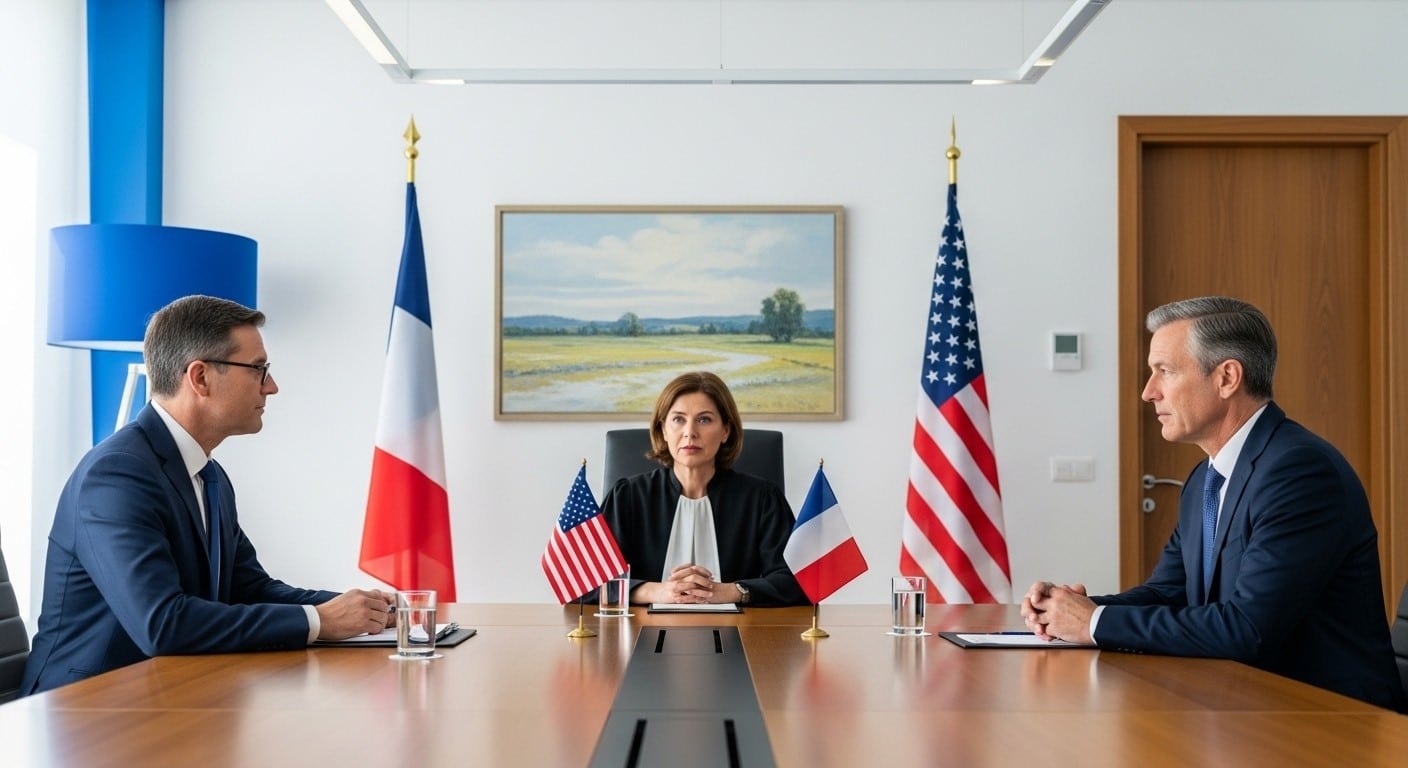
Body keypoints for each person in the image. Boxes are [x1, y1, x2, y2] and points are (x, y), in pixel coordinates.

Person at [1021, 296, 1405, 712]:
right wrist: (1071, 610)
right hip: (1243, 707)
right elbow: (1171, 593)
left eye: (1165, 371)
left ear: (1227, 378)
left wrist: (1093, 623)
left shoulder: (1299, 472)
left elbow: (1247, 628)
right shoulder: (1205, 479)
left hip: (1332, 718)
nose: (1148, 392)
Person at [22, 295, 396, 695]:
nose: (271, 387)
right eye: (258, 369)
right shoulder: (117, 475)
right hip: (84, 708)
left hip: (168, 694)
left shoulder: (209, 474)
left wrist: (364, 609)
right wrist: (319, 621)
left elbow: (249, 589)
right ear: (200, 378)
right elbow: (163, 624)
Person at [599, 371, 806, 607]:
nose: (690, 432)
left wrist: (732, 591)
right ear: (664, 430)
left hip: (741, 628)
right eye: (678, 419)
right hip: (641, 628)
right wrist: (656, 592)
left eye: (704, 419)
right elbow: (583, 582)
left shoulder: (762, 498)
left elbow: (797, 582)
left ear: (725, 430)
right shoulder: (627, 496)